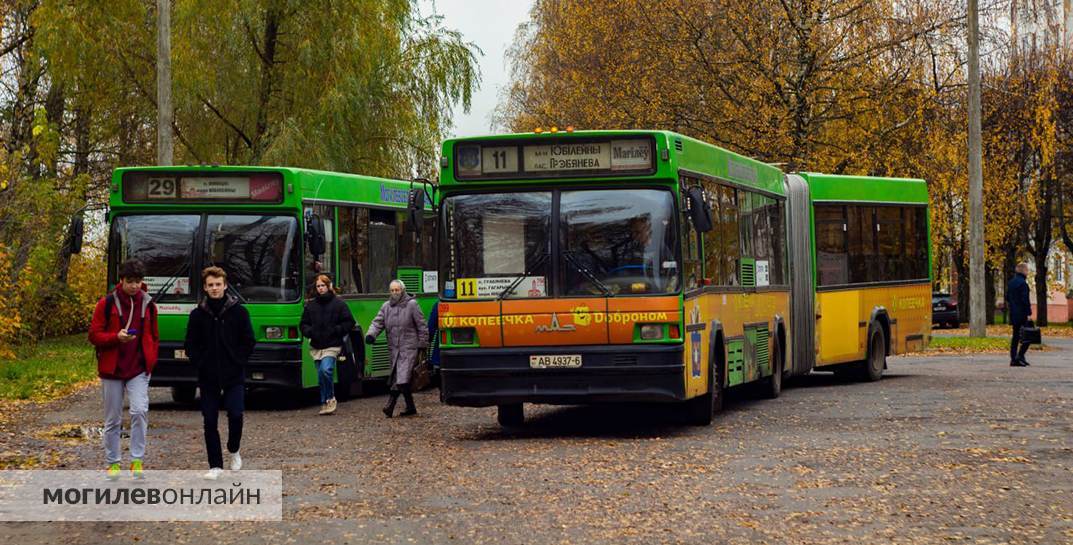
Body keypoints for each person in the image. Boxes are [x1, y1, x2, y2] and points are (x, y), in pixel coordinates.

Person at [88, 259, 159, 480]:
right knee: (113, 419)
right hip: (112, 370)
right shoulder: (106, 303)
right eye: (130, 282)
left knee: (139, 411)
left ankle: (137, 460)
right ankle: (113, 463)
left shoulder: (148, 304)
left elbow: (154, 336)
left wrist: (151, 359)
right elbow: (93, 335)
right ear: (121, 280)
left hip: (138, 369)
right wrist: (115, 337)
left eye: (138, 282)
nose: (134, 286)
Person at [184, 266, 256, 480]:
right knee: (209, 420)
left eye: (218, 284)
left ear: (225, 285)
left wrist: (238, 360)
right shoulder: (198, 314)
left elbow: (249, 340)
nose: (214, 288)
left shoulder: (239, 312)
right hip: (208, 376)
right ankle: (215, 465)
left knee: (236, 413)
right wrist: (200, 362)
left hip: (233, 374)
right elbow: (190, 344)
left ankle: (234, 449)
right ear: (205, 288)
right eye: (210, 285)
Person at [366, 280, 428, 417]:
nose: (395, 293)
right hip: (394, 349)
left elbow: (422, 325)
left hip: (409, 348)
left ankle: (390, 405)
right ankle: (410, 407)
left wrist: (423, 344)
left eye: (397, 290)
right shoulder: (386, 307)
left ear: (403, 290)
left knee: (401, 378)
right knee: (401, 379)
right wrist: (371, 334)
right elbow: (377, 322)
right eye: (392, 290)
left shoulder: (412, 305)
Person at [299, 274, 355, 416]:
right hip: (316, 345)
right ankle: (323, 401)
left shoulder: (339, 304)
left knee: (326, 370)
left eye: (323, 285)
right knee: (320, 375)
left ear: (328, 286)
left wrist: (336, 331)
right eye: (318, 286)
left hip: (333, 344)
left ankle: (330, 398)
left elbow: (349, 322)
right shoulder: (311, 305)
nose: (320, 288)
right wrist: (310, 332)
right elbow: (303, 324)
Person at [1006, 262, 1032, 367]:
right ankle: (1020, 355)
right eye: (1027, 270)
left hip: (1013, 312)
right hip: (1022, 313)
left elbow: (1007, 297)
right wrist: (1029, 313)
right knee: (1028, 336)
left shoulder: (1011, 283)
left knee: (1015, 336)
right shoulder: (1023, 284)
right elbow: (1025, 299)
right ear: (1024, 271)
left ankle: (1013, 358)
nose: (1028, 272)